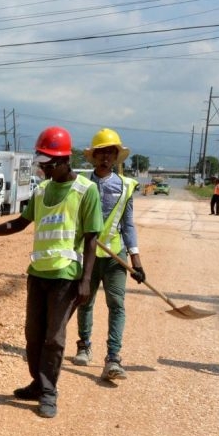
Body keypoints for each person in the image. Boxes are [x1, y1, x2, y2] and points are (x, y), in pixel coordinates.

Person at [0, 126, 103, 418]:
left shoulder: (86, 191)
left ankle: (49, 392)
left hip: (66, 277)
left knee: (54, 337)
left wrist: (86, 281)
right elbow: (18, 224)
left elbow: (92, 238)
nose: (44, 168)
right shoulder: (41, 191)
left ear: (65, 161)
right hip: (38, 275)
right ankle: (38, 383)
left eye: (48, 164)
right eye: (42, 163)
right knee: (33, 335)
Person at [72, 129, 147, 381]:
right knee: (85, 301)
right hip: (87, 255)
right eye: (101, 152)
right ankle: (84, 345)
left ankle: (113, 358)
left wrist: (135, 259)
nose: (106, 157)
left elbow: (128, 224)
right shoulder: (82, 185)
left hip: (115, 256)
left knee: (116, 305)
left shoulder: (125, 186)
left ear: (116, 157)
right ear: (93, 156)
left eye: (110, 152)